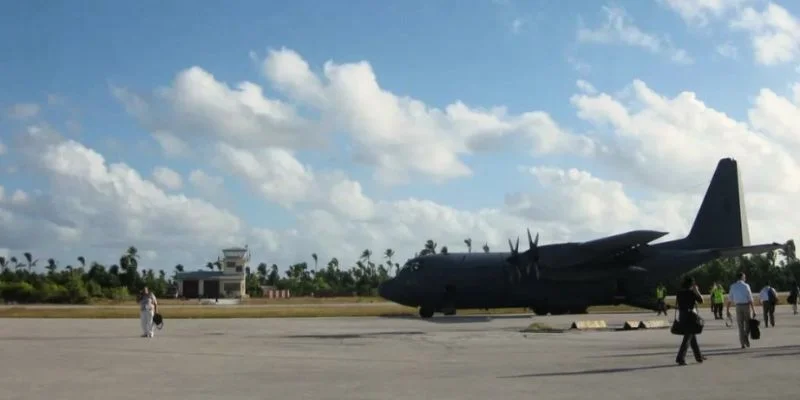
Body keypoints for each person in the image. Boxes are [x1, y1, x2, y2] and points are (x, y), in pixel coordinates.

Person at [674, 276, 706, 365]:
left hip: (682, 315)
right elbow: (701, 301)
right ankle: (680, 358)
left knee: (692, 337)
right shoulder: (691, 292)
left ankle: (699, 357)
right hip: (690, 316)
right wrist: (696, 291)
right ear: (691, 284)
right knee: (687, 338)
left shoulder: (679, 293)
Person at [726, 272, 757, 349]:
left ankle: (742, 344)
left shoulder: (733, 286)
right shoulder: (746, 286)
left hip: (738, 306)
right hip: (746, 306)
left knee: (740, 326)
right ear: (742, 277)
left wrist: (727, 310)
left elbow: (729, 299)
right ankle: (746, 335)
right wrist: (753, 310)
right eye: (744, 277)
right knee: (748, 324)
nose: (745, 278)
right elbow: (750, 299)